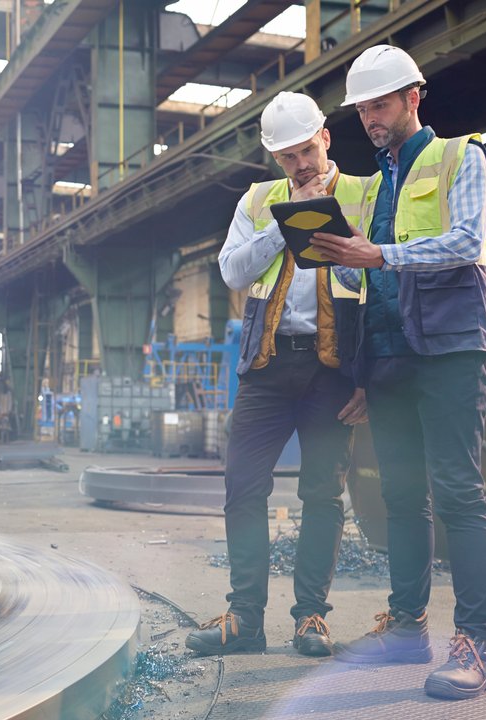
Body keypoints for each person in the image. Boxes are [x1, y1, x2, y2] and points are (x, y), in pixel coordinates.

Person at [309, 45, 486, 700]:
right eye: (362, 109)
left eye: (381, 105)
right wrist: (327, 253)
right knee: (400, 496)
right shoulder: (372, 186)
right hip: (390, 359)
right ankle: (405, 628)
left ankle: (477, 646)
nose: (371, 119)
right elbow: (364, 277)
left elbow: (465, 241)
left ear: (414, 98)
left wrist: (378, 252)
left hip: (449, 350)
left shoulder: (460, 159)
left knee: (457, 493)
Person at [186, 92, 368, 659]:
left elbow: (385, 285)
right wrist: (284, 227)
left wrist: (372, 378)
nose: (299, 165)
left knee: (322, 494)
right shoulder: (259, 200)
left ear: (326, 139)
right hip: (266, 366)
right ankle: (245, 620)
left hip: (333, 370)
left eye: (306, 151)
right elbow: (233, 270)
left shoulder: (364, 195)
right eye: (287, 158)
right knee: (243, 487)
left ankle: (311, 616)